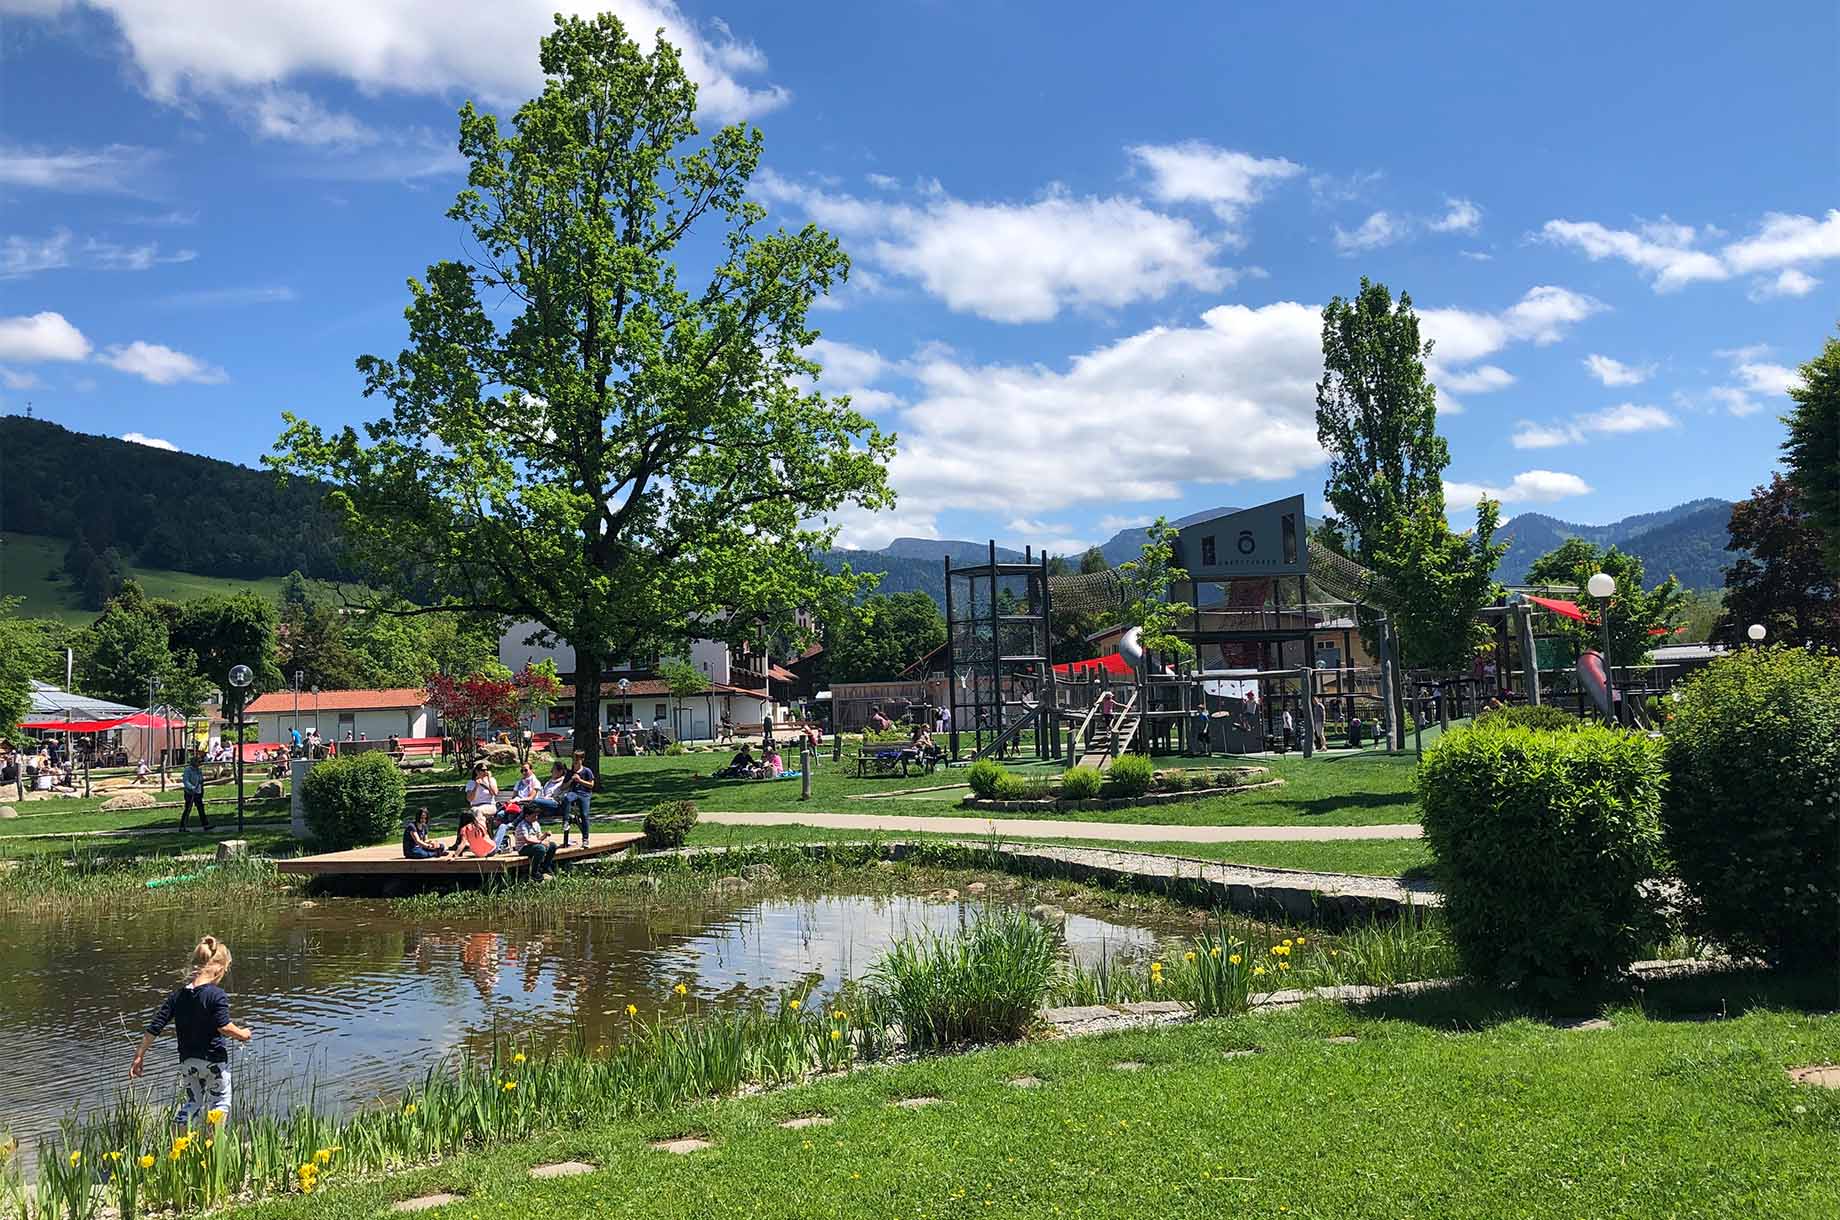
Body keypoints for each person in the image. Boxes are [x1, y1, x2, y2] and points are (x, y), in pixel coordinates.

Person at [130, 936, 252, 1126]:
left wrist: (139, 1055)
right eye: (225, 971)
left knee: (193, 1102)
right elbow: (224, 1026)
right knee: (220, 1102)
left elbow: (155, 1027)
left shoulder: (178, 996)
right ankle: (214, 1149)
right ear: (218, 968)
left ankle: (179, 1142)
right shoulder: (216, 994)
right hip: (213, 1061)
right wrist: (243, 1034)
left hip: (188, 1062)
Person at [512, 803, 558, 880]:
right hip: (524, 848)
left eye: (537, 816)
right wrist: (541, 843)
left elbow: (539, 837)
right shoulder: (522, 825)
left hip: (534, 845)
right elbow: (527, 840)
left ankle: (546, 866)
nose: (536, 818)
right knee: (540, 848)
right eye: (533, 816)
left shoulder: (535, 824)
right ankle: (534, 872)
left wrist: (545, 835)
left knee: (552, 845)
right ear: (526, 816)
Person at [559, 750, 595, 844]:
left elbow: (591, 785)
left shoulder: (587, 771)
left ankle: (585, 839)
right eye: (573, 759)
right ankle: (566, 821)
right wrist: (571, 780)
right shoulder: (570, 773)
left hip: (585, 794)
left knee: (584, 815)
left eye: (577, 759)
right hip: (574, 793)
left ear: (582, 760)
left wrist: (579, 780)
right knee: (567, 798)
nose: (575, 761)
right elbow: (562, 787)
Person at [180, 754, 211, 832]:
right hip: (189, 793)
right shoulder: (188, 770)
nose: (199, 764)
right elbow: (186, 781)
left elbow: (200, 779)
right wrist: (191, 787)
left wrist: (201, 781)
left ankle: (206, 825)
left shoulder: (198, 770)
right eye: (198, 762)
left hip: (198, 792)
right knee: (188, 809)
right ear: (193, 762)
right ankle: (182, 827)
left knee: (201, 808)